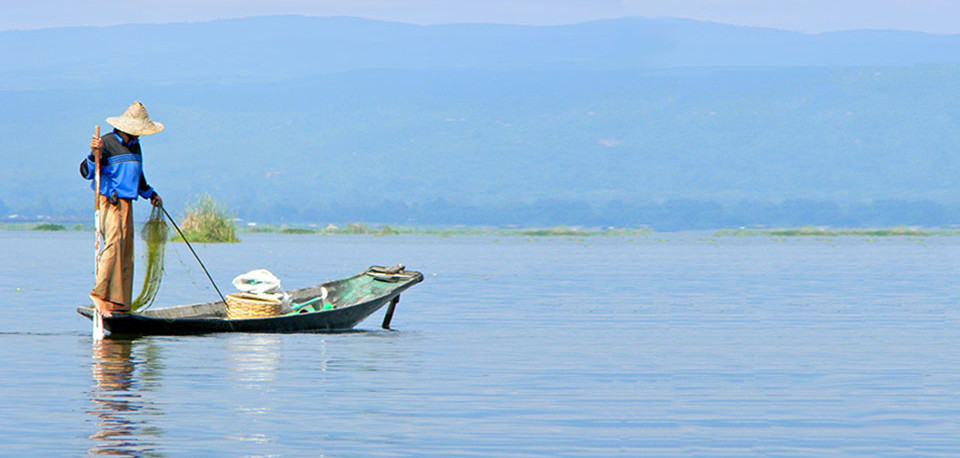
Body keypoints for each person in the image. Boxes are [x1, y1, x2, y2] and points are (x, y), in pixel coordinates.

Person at [80, 101, 164, 316]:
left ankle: (120, 302)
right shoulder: (105, 143)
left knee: (127, 251)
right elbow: (86, 171)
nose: (137, 137)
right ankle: (99, 295)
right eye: (135, 133)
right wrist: (93, 154)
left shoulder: (135, 145)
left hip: (128, 202)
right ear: (124, 129)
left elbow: (138, 175)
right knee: (114, 244)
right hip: (110, 200)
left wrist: (150, 194)